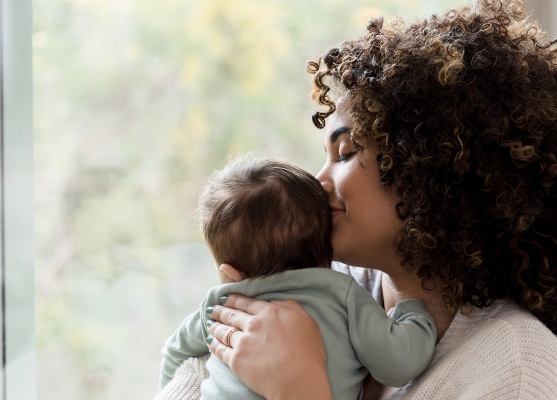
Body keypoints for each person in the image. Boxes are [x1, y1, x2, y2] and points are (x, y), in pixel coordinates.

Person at [189, 0, 557, 399]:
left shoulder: (518, 365)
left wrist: (299, 388)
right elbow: (185, 379)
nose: (319, 180)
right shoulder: (325, 281)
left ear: (436, 166)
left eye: (346, 153)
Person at [158, 156, 437, 400]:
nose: (322, 178)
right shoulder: (342, 294)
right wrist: (413, 312)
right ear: (327, 246)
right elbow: (400, 364)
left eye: (344, 154)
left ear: (230, 274)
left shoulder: (221, 304)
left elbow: (174, 352)